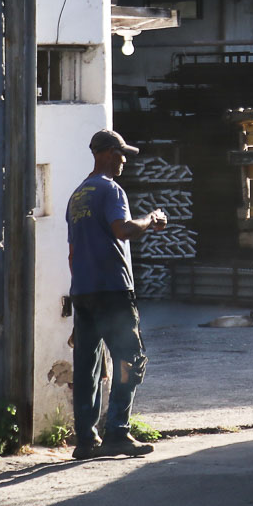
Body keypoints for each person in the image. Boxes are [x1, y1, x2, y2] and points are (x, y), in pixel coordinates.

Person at [67, 128, 167, 460]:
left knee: (88, 367)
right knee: (130, 359)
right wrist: (151, 220)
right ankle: (118, 433)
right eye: (122, 154)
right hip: (112, 290)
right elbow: (122, 230)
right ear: (109, 153)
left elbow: (72, 253)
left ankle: (85, 440)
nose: (125, 160)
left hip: (83, 292)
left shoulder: (77, 195)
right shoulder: (111, 190)